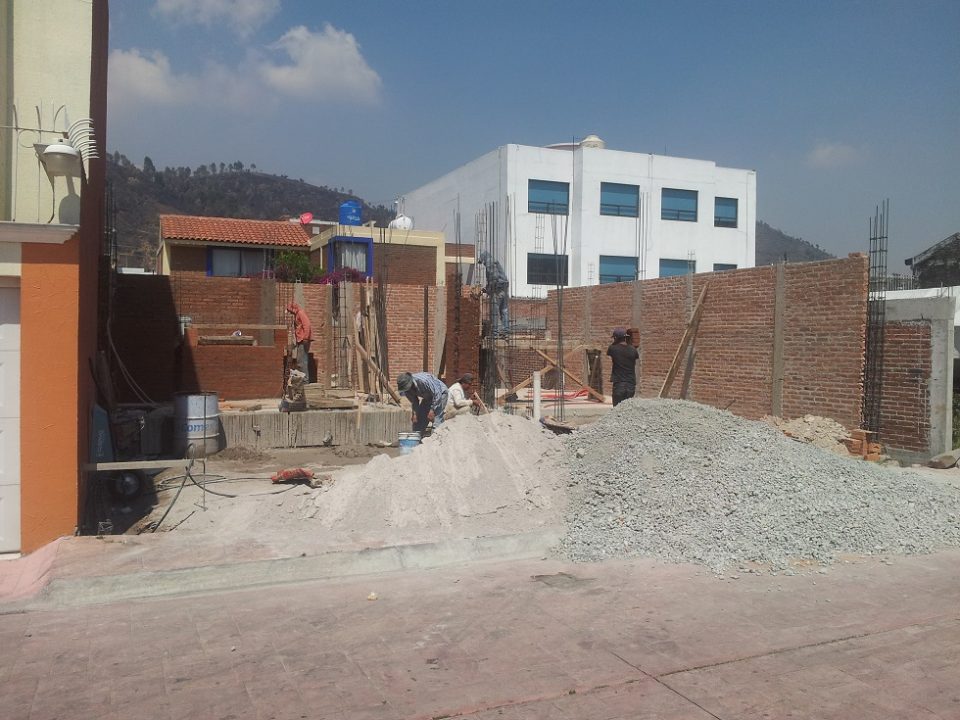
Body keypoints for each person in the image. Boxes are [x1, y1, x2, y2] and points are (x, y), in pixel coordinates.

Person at [478, 251, 510, 336]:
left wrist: (489, 290)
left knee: (494, 312)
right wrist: (486, 289)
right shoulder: (495, 262)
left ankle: (495, 333)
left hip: (497, 290)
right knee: (504, 310)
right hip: (504, 288)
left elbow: (494, 278)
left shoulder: (489, 262)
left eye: (482, 262)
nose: (483, 264)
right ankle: (506, 332)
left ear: (484, 259)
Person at [607, 327, 639, 407]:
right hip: (631, 385)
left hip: (619, 385)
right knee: (627, 410)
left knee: (617, 410)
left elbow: (610, 352)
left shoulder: (613, 349)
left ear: (616, 338)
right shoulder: (633, 350)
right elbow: (635, 355)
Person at [286, 302, 313, 381]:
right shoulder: (297, 315)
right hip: (300, 340)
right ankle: (302, 379)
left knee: (301, 361)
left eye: (290, 311)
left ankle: (305, 380)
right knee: (299, 361)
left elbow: (307, 325)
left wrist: (305, 338)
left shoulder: (300, 313)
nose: (290, 313)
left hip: (303, 340)